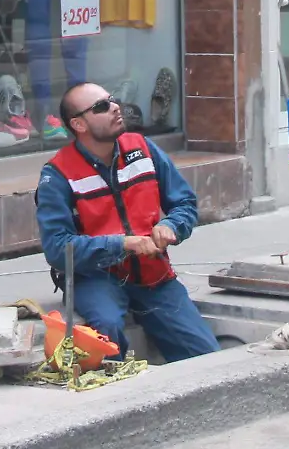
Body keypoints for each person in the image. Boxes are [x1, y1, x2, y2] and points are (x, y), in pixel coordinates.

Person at [34, 82, 219, 362]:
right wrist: (123, 244)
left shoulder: (143, 148)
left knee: (206, 357)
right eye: (101, 107)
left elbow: (185, 203)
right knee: (106, 335)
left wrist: (172, 226)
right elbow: (58, 248)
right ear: (78, 124)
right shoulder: (58, 174)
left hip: (154, 275)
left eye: (112, 100)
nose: (115, 107)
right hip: (96, 278)